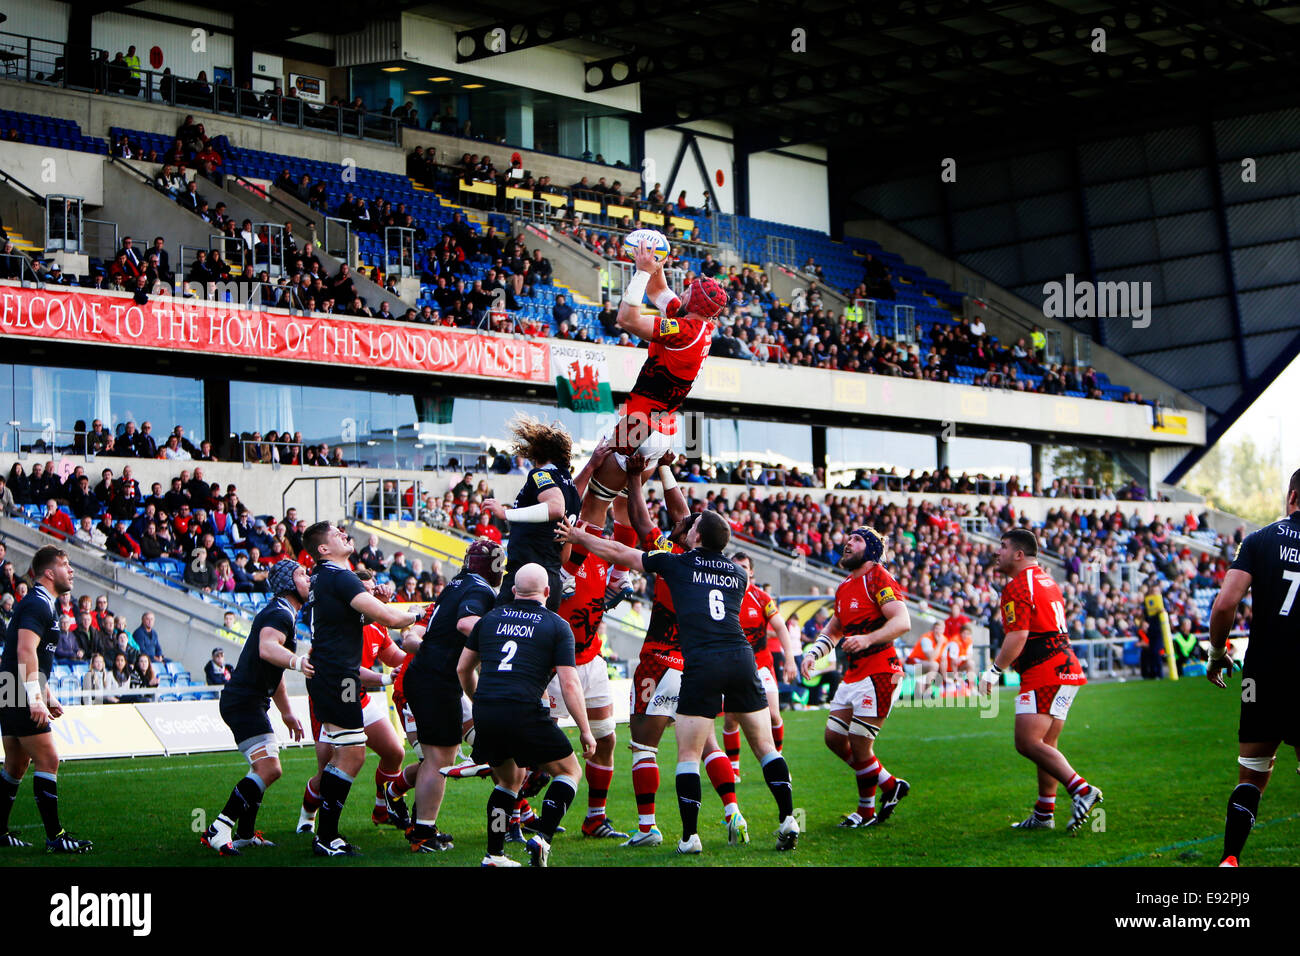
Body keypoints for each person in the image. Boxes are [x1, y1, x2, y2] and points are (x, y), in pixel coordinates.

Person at [560, 509, 799, 853]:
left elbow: (619, 553)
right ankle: (788, 818)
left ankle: (690, 837)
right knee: (765, 748)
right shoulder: (737, 572)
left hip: (700, 661)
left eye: (694, 527)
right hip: (741, 658)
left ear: (697, 537)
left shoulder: (679, 562)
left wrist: (578, 536)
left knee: (688, 754)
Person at [562, 239, 727, 608]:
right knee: (624, 505)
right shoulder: (700, 323)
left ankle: (566, 576)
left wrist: (638, 271)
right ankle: (619, 579)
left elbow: (626, 319)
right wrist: (655, 264)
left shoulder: (683, 331)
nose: (681, 290)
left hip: (641, 421)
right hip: (662, 426)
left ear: (694, 302)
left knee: (594, 504)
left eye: (688, 289)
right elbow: (660, 289)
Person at [456, 563, 596, 867]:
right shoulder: (557, 625)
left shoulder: (489, 619)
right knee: (569, 771)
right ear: (547, 592)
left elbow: (462, 668)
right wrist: (585, 729)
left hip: (487, 709)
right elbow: (570, 683)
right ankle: (543, 838)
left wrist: (478, 700)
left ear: (515, 591)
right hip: (524, 708)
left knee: (508, 781)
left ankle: (494, 855)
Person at [298, 522, 424, 857]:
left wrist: (379, 609)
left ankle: (325, 833)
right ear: (323, 549)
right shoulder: (339, 576)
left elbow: (359, 618)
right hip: (339, 677)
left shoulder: (325, 577)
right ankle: (324, 836)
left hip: (336, 677)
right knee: (348, 755)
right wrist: (422, 614)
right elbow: (390, 618)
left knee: (350, 754)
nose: (344, 534)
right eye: (336, 534)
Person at [1206, 467, 1300, 867]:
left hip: (1261, 675)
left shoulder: (1260, 540)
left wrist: (1216, 653)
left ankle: (1230, 859)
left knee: (1252, 773)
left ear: (1292, 497)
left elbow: (1225, 604)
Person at [979, 529, 1100, 832]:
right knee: (1046, 743)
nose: (998, 552)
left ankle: (1082, 789)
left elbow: (1017, 635)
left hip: (1045, 670)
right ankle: (1044, 813)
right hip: (1062, 666)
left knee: (1027, 742)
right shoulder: (1045, 580)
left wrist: (993, 671)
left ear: (1019, 555)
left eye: (1003, 547)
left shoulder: (1019, 586)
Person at [800, 527, 912, 828]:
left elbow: (902, 621)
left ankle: (865, 812)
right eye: (848, 538)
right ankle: (890, 785)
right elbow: (834, 629)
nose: (848, 543)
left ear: (872, 550)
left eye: (858, 539)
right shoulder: (845, 585)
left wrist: (867, 639)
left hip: (880, 670)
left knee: (860, 745)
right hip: (854, 673)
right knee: (834, 739)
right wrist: (813, 653)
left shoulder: (878, 577)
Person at [396, 539, 503, 852]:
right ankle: (422, 834)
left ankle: (421, 827)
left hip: (429, 676)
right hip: (435, 679)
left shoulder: (457, 584)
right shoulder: (480, 590)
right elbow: (467, 623)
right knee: (439, 759)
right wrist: (505, 631)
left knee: (438, 757)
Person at [200, 560, 311, 855]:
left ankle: (246, 833)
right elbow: (267, 648)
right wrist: (299, 662)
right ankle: (219, 827)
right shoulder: (279, 612)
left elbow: (273, 671)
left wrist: (286, 711)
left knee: (261, 768)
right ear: (288, 582)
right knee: (269, 768)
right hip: (244, 703)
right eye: (302, 574)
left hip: (250, 702)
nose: (308, 577)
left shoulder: (282, 611)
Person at [296, 568, 410, 837]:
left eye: (372, 590)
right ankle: (308, 816)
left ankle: (382, 808)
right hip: (334, 697)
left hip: (359, 697)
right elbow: (351, 669)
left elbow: (394, 655)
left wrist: (420, 656)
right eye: (365, 591)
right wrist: (383, 680)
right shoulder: (344, 625)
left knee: (395, 752)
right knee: (329, 772)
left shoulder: (376, 624)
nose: (370, 595)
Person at [0, 546, 93, 852]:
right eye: (66, 565)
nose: (72, 571)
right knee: (48, 759)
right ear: (50, 573)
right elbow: (24, 651)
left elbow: (34, 656)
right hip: (16, 690)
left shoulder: (42, 604)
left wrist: (47, 694)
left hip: (11, 687)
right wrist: (34, 698)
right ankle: (56, 837)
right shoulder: (38, 605)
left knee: (16, 764)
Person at [480, 415, 581, 612]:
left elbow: (555, 508)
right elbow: (564, 557)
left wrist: (505, 513)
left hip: (526, 577)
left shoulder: (541, 474)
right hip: (551, 583)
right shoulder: (574, 493)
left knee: (493, 637)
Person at [722, 551, 798, 780]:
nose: (740, 570)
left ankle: (779, 761)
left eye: (744, 566)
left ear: (751, 571)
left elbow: (781, 627)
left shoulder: (762, 598)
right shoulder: (720, 596)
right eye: (735, 566)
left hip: (762, 664)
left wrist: (791, 659)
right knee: (730, 718)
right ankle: (733, 769)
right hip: (733, 665)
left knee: (774, 715)